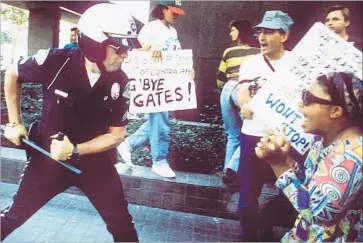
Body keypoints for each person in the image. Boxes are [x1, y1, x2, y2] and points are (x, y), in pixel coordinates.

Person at [1, 3, 140, 242]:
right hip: (47, 160)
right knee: (12, 217)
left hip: (96, 164)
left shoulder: (120, 81)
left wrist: (75, 150)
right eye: (119, 48)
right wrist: (15, 122)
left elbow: (116, 135)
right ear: (95, 45)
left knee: (123, 228)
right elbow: (13, 74)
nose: (124, 55)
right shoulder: (55, 61)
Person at [255, 72, 363, 242]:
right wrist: (285, 158)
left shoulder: (351, 157)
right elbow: (308, 185)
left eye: (308, 98)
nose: (300, 106)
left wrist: (278, 165)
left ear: (335, 111)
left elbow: (315, 215)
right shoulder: (323, 140)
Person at [236, 10, 297, 241]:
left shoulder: (296, 62)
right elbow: (242, 90)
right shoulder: (250, 63)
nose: (262, 37)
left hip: (286, 139)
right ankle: (249, 236)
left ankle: (268, 224)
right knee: (247, 196)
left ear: (284, 36)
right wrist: (244, 105)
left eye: (269, 32)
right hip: (253, 135)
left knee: (290, 192)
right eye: (260, 31)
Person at [116, 0, 186, 178]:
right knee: (161, 119)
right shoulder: (151, 28)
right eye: (173, 11)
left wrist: (186, 70)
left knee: (159, 119)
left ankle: (129, 144)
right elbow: (135, 50)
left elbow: (175, 55)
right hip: (152, 81)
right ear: (163, 10)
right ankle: (159, 161)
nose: (177, 14)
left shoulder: (173, 31)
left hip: (166, 80)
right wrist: (151, 48)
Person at [216, 19, 259, 184]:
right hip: (245, 91)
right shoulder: (258, 53)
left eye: (233, 30)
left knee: (232, 134)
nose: (230, 33)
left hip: (227, 89)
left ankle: (228, 171)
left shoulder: (229, 52)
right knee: (253, 133)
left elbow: (219, 78)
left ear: (241, 32)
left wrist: (223, 87)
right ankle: (233, 167)